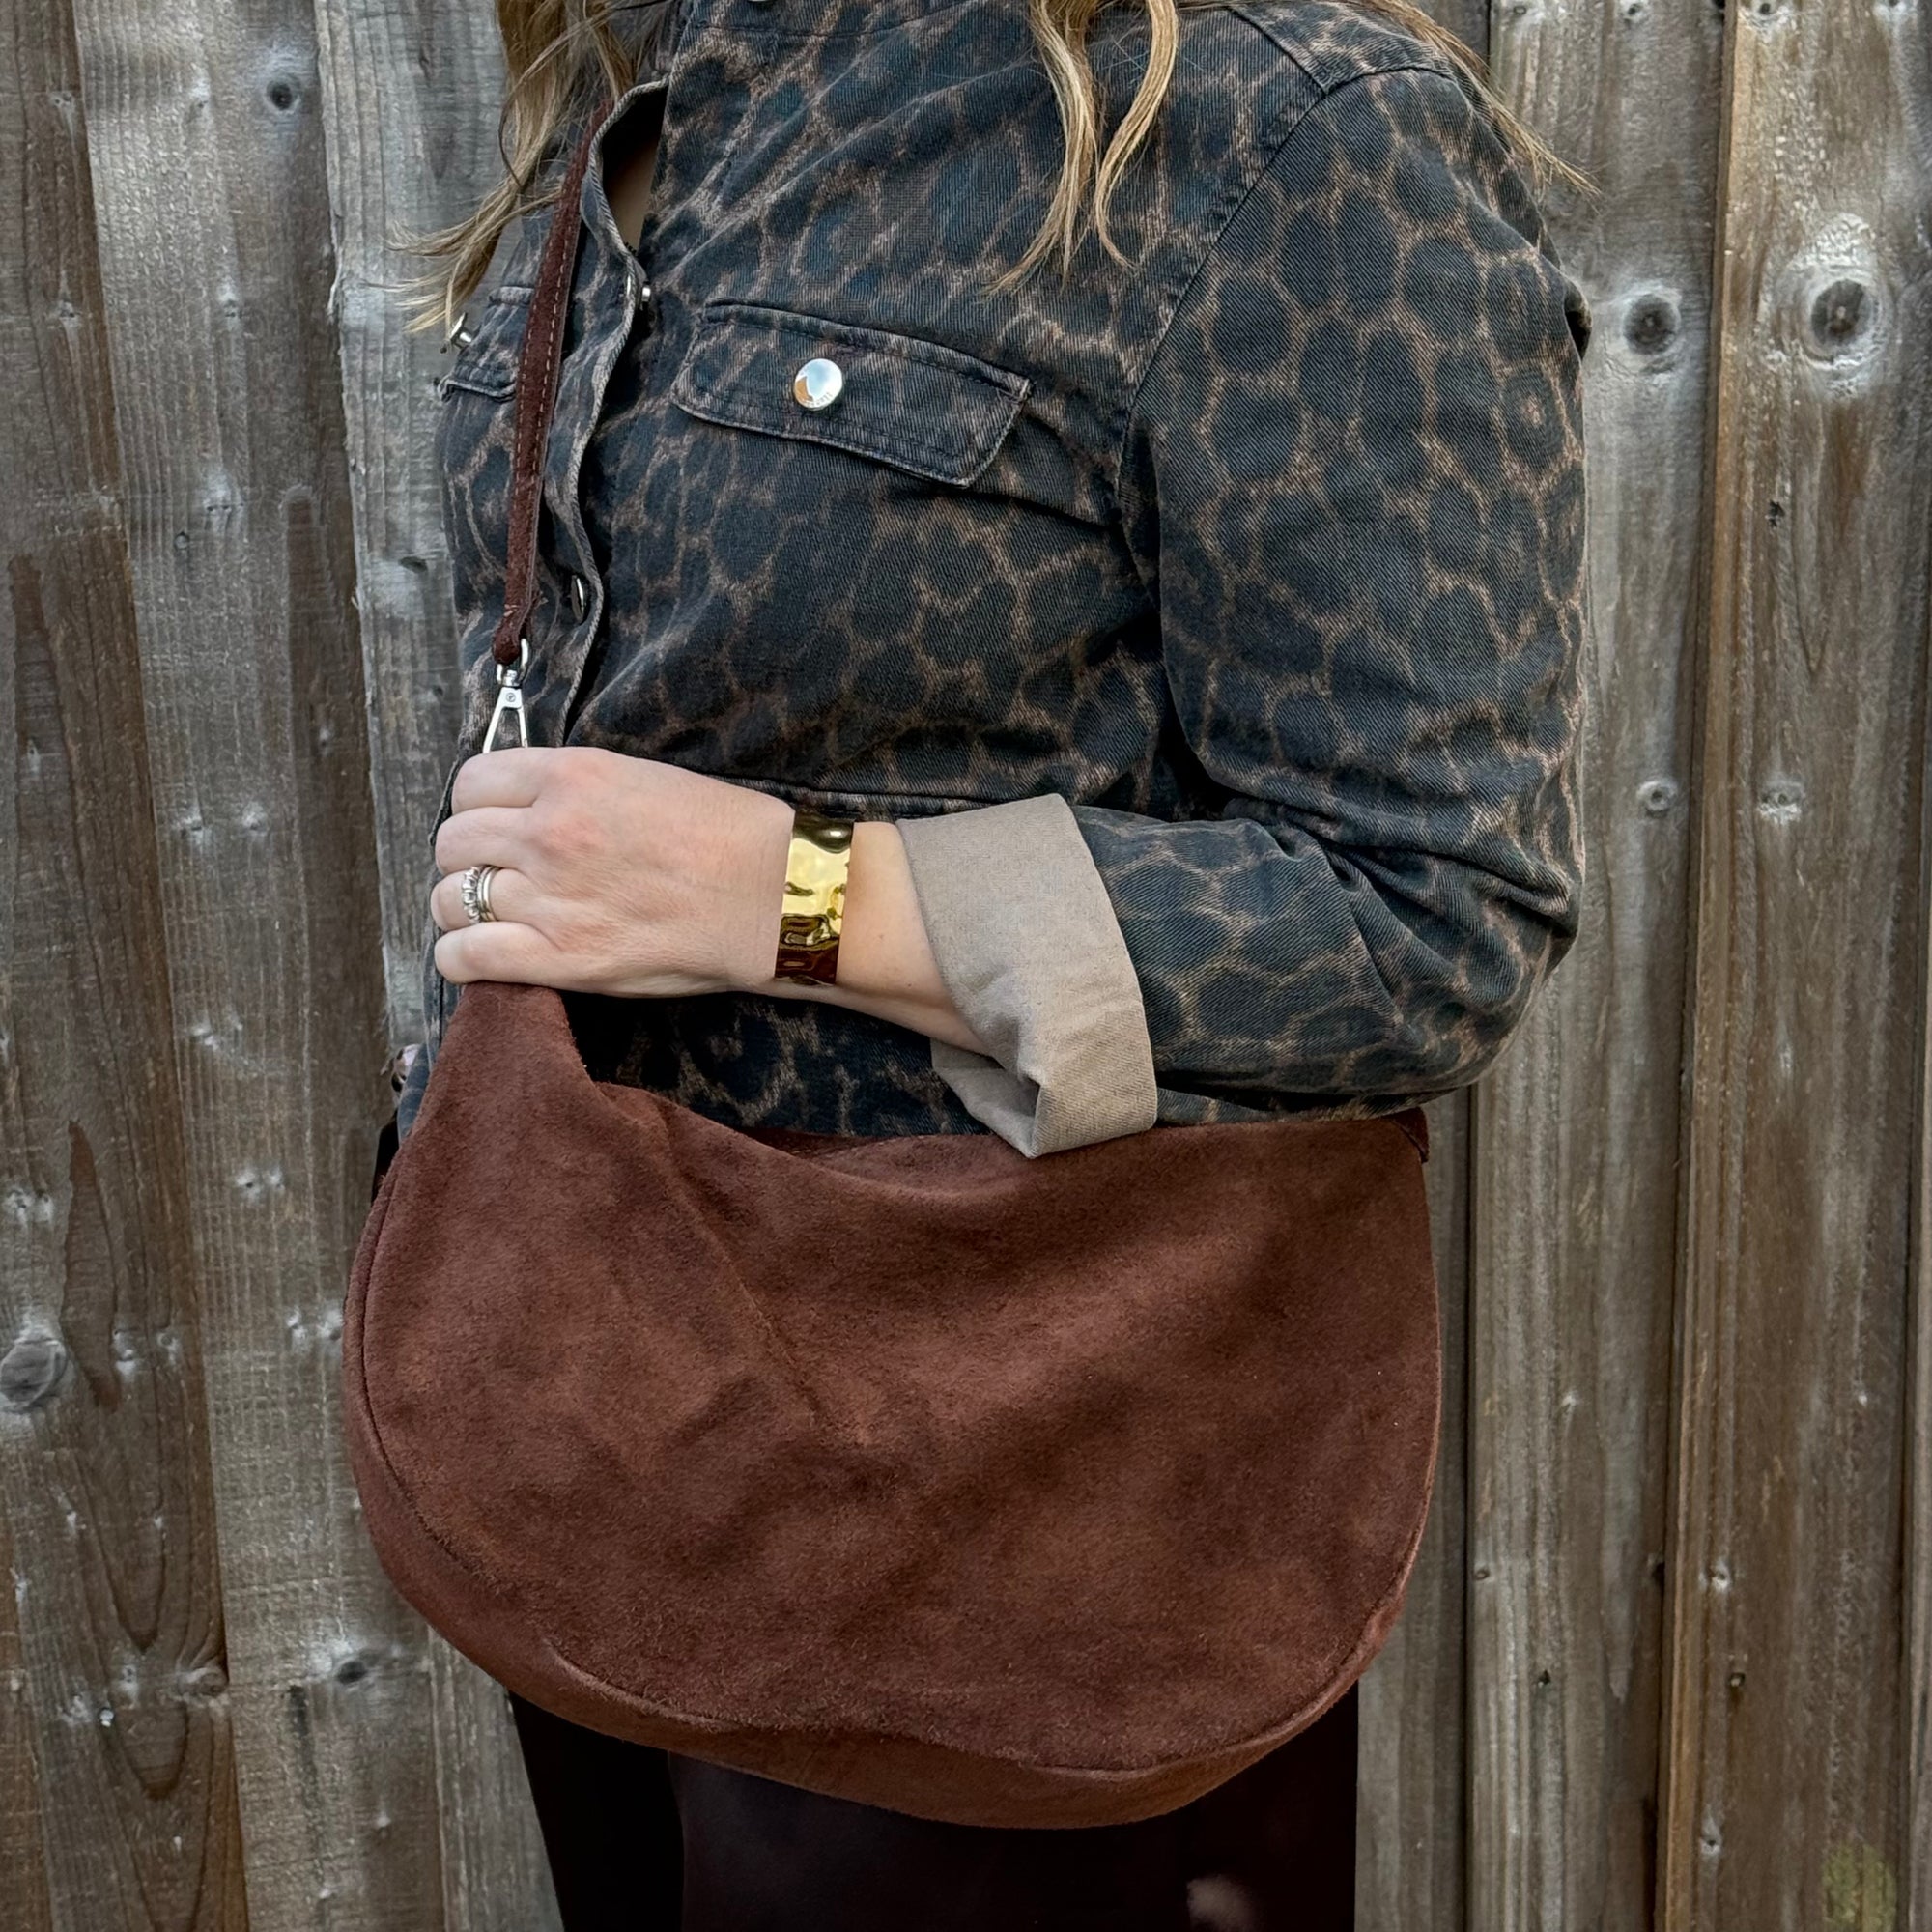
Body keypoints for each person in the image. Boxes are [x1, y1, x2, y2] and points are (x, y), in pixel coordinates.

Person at [385, 0, 1591, 1918]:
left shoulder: (1286, 142)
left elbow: (1427, 915)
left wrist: (793, 888)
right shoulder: (662, 93)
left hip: (1021, 1484)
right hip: (611, 1407)